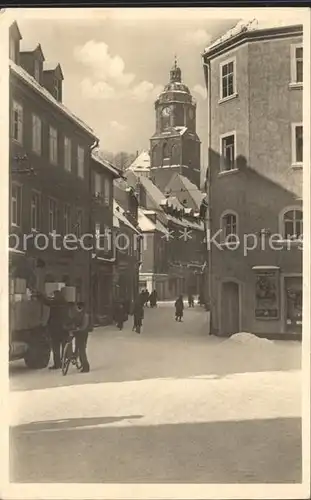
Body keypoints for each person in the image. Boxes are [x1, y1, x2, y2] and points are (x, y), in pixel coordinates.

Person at [36, 290, 69, 369]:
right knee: (64, 346)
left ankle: (58, 364)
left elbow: (47, 301)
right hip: (64, 328)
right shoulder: (65, 303)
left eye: (54, 295)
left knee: (56, 347)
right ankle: (65, 361)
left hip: (55, 329)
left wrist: (40, 295)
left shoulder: (56, 303)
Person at [71, 301, 90, 373]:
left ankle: (85, 366)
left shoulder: (85, 315)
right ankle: (76, 358)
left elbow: (84, 326)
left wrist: (79, 328)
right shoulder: (77, 314)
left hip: (83, 334)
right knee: (78, 347)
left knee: (81, 350)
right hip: (78, 333)